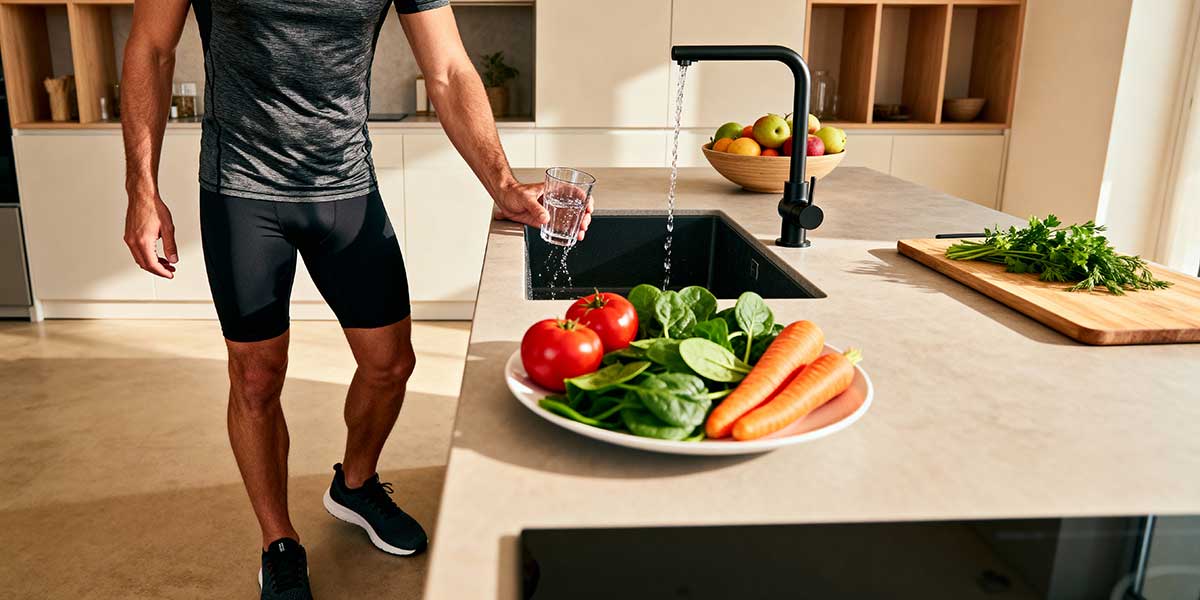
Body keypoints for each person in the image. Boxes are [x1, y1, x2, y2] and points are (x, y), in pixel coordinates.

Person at [120, 1, 591, 598]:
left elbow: (447, 68)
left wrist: (502, 185)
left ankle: (355, 483)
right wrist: (142, 186)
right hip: (241, 188)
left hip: (346, 184)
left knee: (391, 363)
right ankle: (278, 540)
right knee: (257, 378)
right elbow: (151, 49)